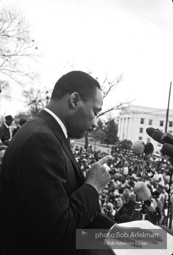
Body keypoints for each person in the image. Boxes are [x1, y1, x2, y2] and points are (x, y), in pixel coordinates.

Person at [0, 71, 163, 255]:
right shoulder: (40, 139)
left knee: (159, 240)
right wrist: (93, 186)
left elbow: (61, 203)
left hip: (77, 238)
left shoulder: (48, 133)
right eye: (95, 112)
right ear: (75, 100)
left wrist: (124, 235)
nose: (94, 123)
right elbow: (57, 230)